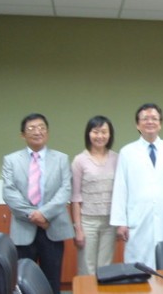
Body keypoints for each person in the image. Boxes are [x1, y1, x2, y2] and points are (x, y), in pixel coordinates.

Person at [2, 113, 74, 294]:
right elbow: (9, 193)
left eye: (41, 127)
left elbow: (65, 190)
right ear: (22, 135)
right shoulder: (11, 160)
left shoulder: (61, 159)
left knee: (52, 280)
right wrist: (34, 216)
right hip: (23, 229)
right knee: (21, 281)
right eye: (31, 128)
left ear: (47, 132)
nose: (37, 131)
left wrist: (44, 214)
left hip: (53, 228)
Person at [110, 103, 163, 268]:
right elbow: (121, 188)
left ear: (161, 124)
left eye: (154, 118)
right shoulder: (127, 152)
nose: (150, 122)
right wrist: (121, 222)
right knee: (139, 267)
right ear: (137, 124)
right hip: (138, 219)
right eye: (145, 119)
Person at [71, 115, 118, 275]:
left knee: (105, 267)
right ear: (88, 134)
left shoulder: (117, 158)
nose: (100, 136)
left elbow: (120, 193)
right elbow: (76, 198)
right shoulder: (79, 160)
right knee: (87, 268)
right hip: (88, 222)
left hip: (110, 222)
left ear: (110, 134)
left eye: (104, 132)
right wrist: (78, 229)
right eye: (95, 132)